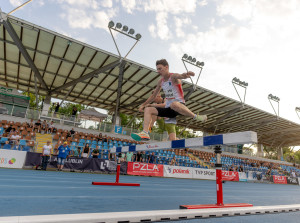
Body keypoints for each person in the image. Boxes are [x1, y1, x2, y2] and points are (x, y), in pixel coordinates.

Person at [131, 59, 207, 141]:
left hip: (179, 106)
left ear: (166, 67)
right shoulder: (160, 82)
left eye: (160, 69)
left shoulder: (173, 77)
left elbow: (180, 76)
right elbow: (153, 96)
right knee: (148, 109)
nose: (158, 71)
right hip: (169, 110)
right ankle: (145, 133)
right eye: (157, 69)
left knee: (173, 104)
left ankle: (196, 117)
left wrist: (185, 75)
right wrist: (143, 104)